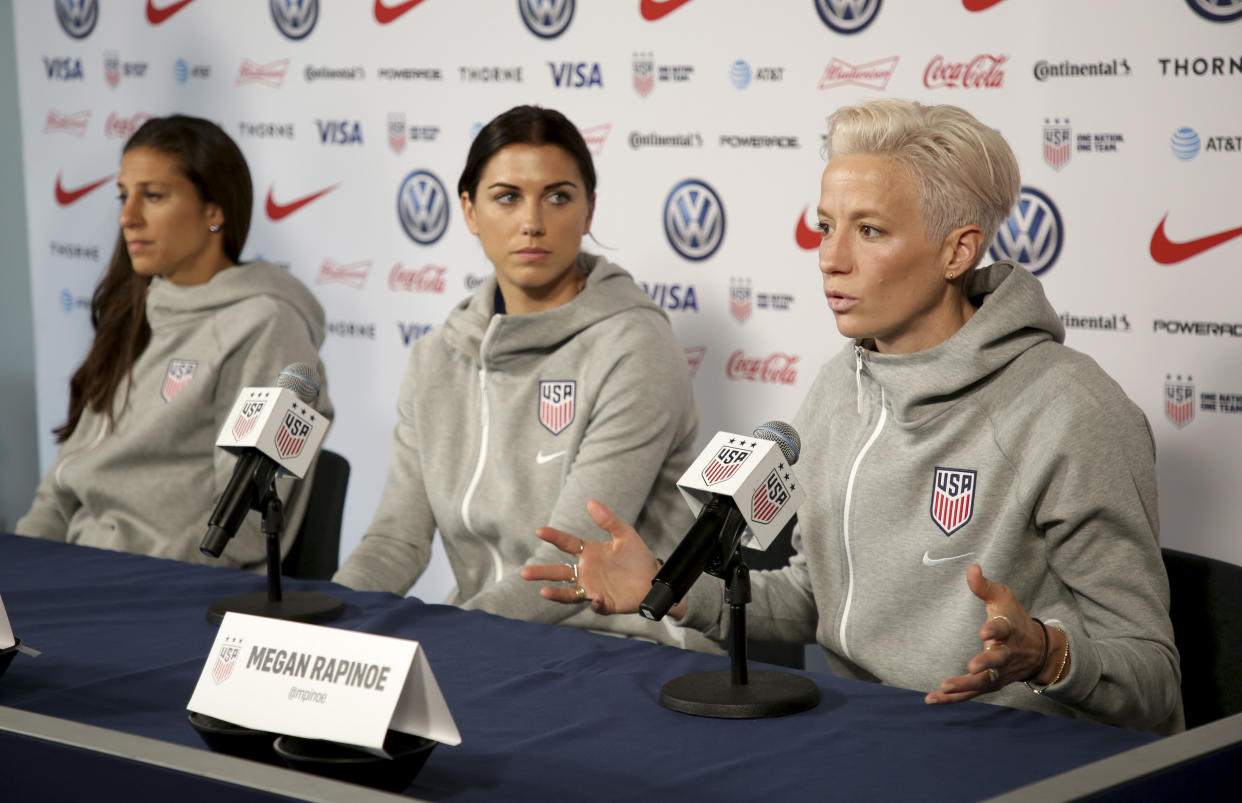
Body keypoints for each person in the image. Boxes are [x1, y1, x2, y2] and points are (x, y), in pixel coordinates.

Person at [523, 99, 1184, 734]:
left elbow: (1152, 678)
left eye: (869, 230)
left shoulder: (1074, 412)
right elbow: (815, 596)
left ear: (958, 252)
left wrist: (1048, 653)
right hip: (860, 733)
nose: (831, 257)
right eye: (826, 225)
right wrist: (682, 587)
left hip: (1015, 753)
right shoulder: (842, 383)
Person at [333, 105, 716, 651]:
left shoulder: (634, 348)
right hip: (483, 638)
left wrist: (448, 641)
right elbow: (396, 541)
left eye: (558, 196)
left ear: (589, 211)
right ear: (469, 210)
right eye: (507, 197)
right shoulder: (435, 358)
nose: (532, 221)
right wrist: (320, 625)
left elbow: (568, 564)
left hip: (624, 649)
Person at [17, 115, 331, 571]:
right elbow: (60, 491)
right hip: (76, 573)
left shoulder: (269, 325)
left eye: (154, 196)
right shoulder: (133, 310)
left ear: (214, 211)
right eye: (124, 196)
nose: (128, 217)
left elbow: (240, 524)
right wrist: (21, 573)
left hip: (164, 590)